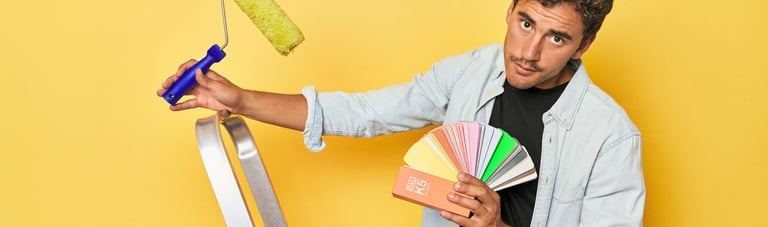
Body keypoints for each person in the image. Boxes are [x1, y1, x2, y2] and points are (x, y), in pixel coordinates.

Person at [157, 0, 645, 226]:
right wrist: (239, 99)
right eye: (525, 23)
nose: (528, 52)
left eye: (556, 38)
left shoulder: (610, 136)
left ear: (585, 44)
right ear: (511, 8)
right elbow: (367, 111)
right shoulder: (470, 72)